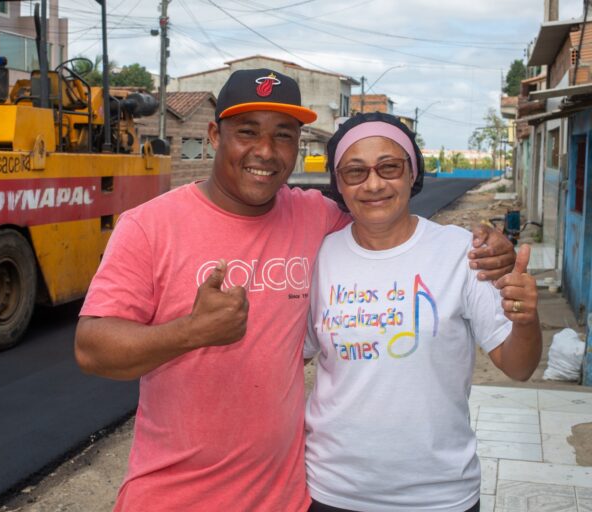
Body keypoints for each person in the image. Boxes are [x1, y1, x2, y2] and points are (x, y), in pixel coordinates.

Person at [74, 69, 517, 511]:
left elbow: (391, 228)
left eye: (283, 136)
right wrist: (190, 332)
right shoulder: (149, 227)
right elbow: (92, 349)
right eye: (247, 132)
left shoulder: (315, 217)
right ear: (214, 134)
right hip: (172, 497)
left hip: (285, 498)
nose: (265, 152)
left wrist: (487, 246)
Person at [304, 112, 542, 512]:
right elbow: (292, 361)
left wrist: (526, 318)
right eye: (355, 172)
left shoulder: (461, 252)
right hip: (332, 490)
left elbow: (519, 367)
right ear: (338, 184)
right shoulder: (320, 257)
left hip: (440, 494)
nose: (374, 184)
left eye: (390, 167)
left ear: (412, 172)